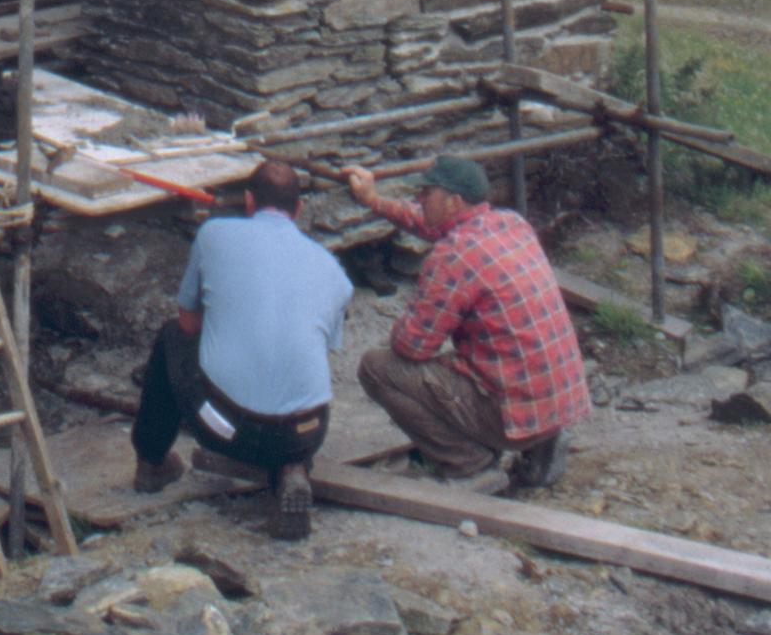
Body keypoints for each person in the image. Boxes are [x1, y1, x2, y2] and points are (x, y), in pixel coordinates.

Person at [130, 159, 352, 541]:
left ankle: (153, 464)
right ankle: (291, 468)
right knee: (293, 392)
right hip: (309, 429)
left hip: (227, 428)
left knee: (171, 337)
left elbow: (187, 324)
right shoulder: (333, 270)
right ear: (298, 210)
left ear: (249, 201)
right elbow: (323, 350)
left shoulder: (214, 234)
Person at [345, 152, 590, 490]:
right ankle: (542, 447)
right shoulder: (510, 223)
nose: (418, 199)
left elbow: (412, 346)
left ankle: (470, 466)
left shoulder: (453, 256)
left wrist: (406, 319)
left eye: (426, 194)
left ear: (453, 201)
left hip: (513, 413)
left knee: (378, 367)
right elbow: (427, 222)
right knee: (483, 358)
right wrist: (374, 201)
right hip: (557, 402)